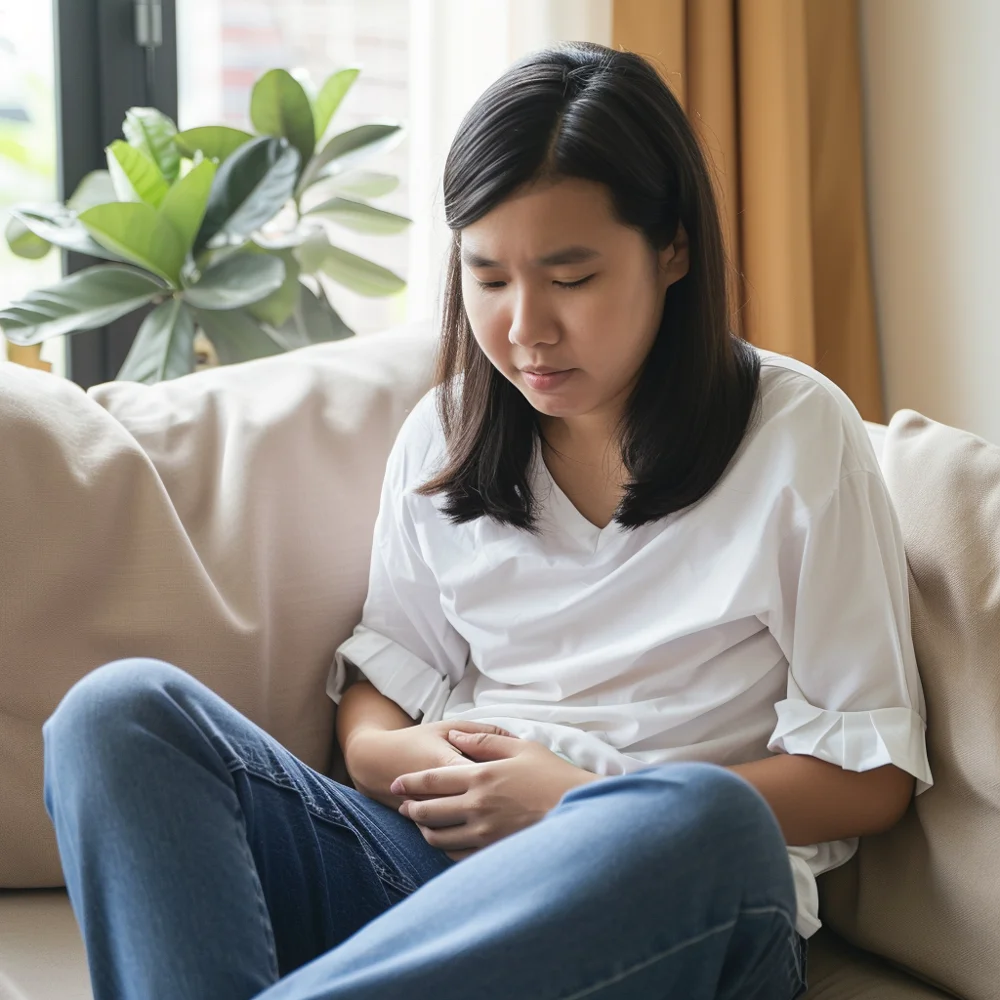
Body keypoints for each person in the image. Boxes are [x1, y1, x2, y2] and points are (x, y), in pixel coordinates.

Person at [42, 41, 932, 1000]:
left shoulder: (795, 433)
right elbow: (380, 688)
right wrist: (403, 760)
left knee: (706, 819)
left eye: (571, 277)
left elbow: (869, 775)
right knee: (117, 713)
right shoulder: (449, 434)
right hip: (436, 876)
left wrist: (579, 803)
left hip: (675, 894)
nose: (524, 328)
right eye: (489, 277)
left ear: (672, 247)